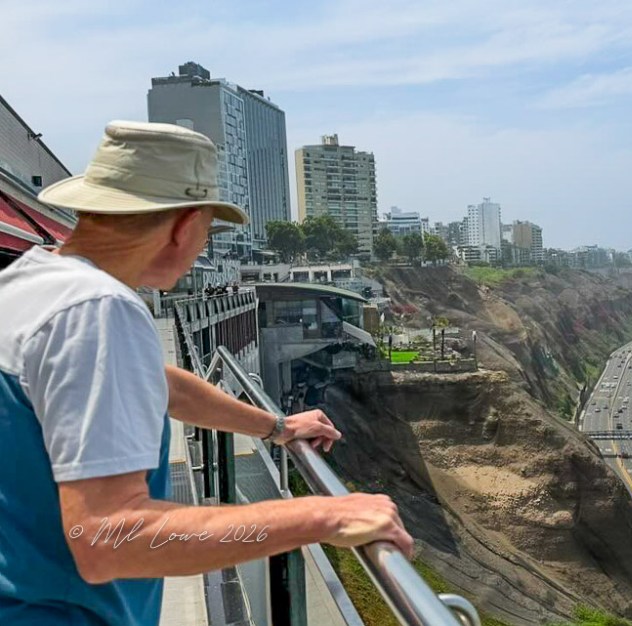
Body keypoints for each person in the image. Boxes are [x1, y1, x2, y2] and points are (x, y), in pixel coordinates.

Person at [0, 121, 412, 625]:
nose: (202, 249)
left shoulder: (27, 283)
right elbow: (108, 537)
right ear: (185, 225)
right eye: (209, 233)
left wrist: (276, 426)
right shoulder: (99, 309)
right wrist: (324, 515)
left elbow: (158, 383)